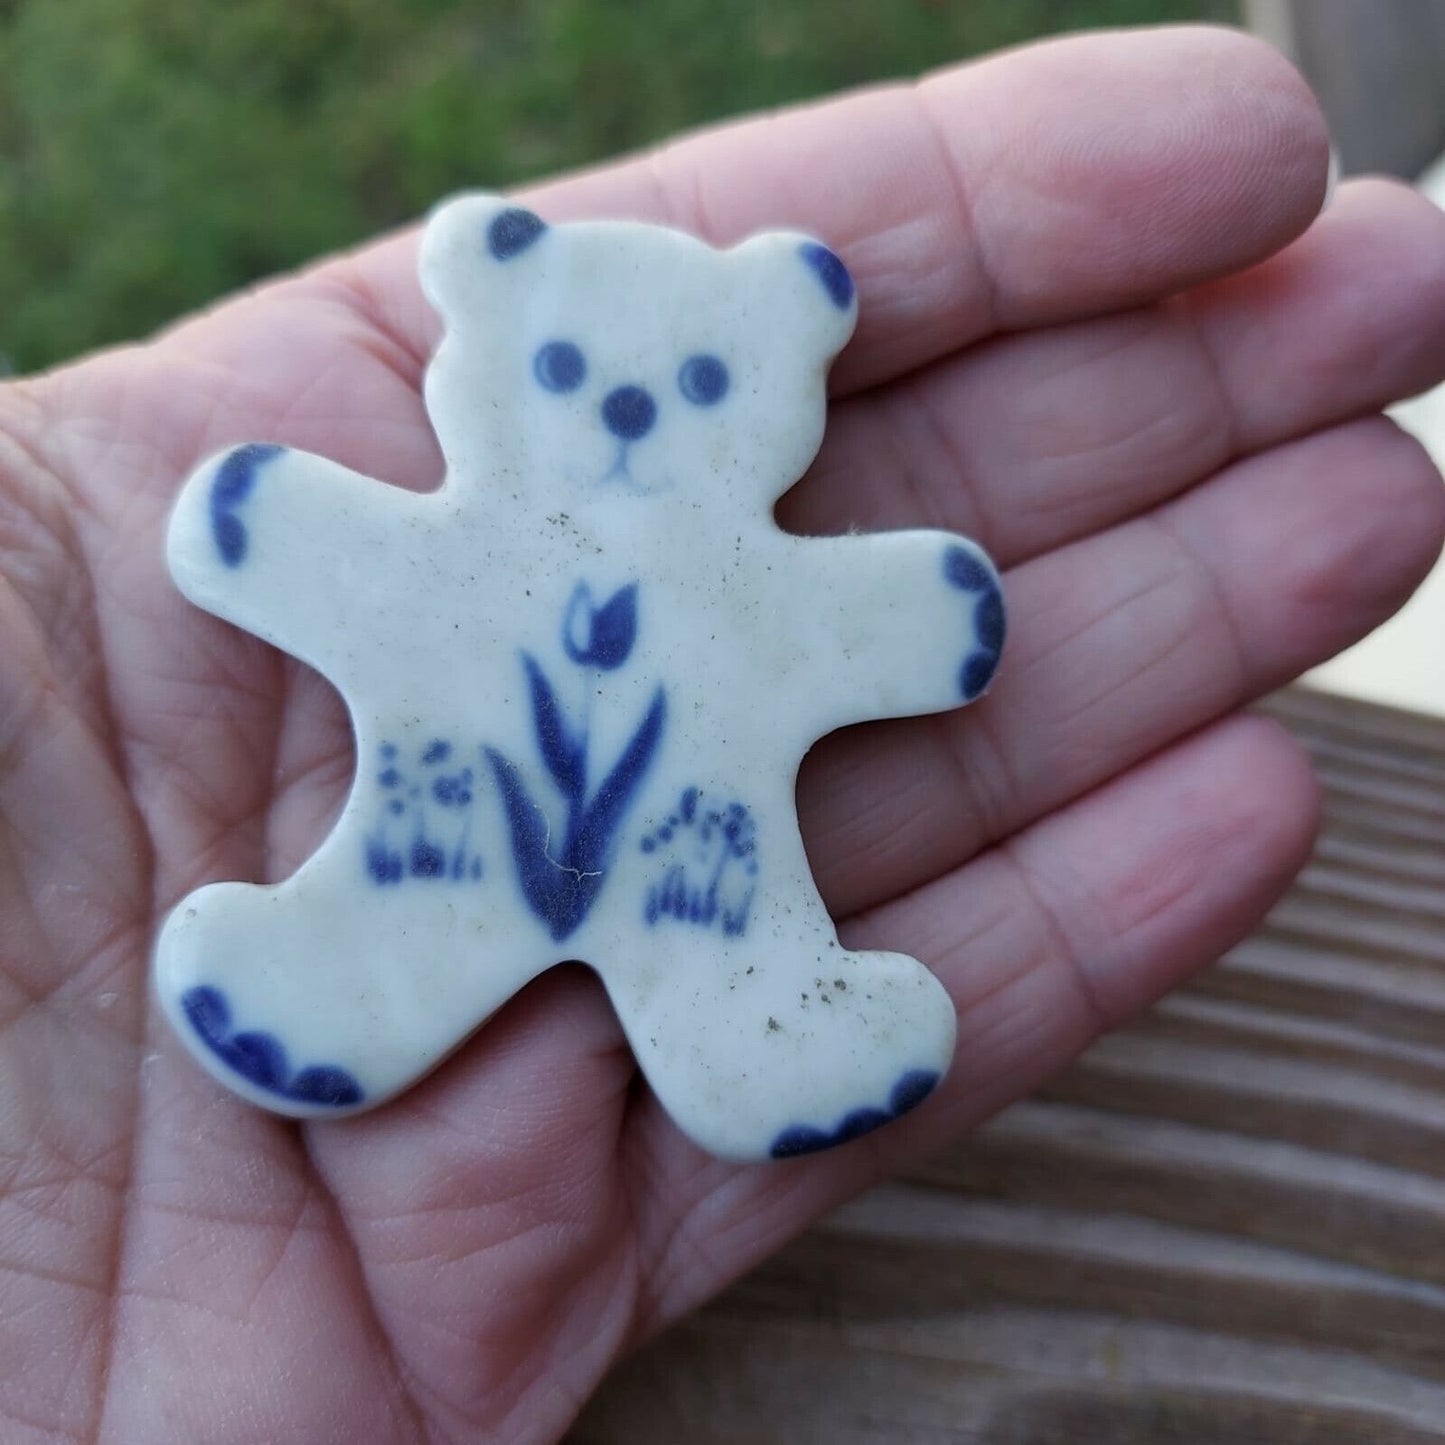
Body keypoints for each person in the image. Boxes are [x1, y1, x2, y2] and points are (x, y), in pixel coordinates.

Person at [3, 23, 1444, 1443]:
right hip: (446, 837)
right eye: (570, 377)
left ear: (778, 387)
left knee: (729, 945)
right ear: (484, 353)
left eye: (701, 387)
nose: (630, 413)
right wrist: (277, 533)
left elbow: (862, 626)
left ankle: (772, 1047)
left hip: (694, 867)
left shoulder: (753, 593)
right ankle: (309, 994)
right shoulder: (461, 554)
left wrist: (918, 612)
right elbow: (350, 565)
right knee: (394, 907)